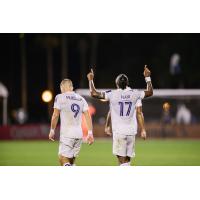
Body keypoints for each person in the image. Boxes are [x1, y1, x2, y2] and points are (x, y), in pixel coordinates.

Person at [87, 66, 153, 166]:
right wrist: (147, 78)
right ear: (127, 83)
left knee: (122, 162)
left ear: (116, 84)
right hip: (131, 132)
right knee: (127, 161)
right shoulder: (135, 94)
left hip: (119, 132)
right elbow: (149, 93)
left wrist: (91, 80)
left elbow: (93, 93)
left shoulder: (112, 94)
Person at [48, 79, 94, 166]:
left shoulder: (60, 97)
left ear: (62, 87)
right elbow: (88, 115)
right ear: (71, 87)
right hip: (79, 135)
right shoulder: (81, 99)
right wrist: (90, 133)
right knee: (71, 162)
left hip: (67, 134)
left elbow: (55, 115)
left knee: (63, 159)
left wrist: (52, 130)